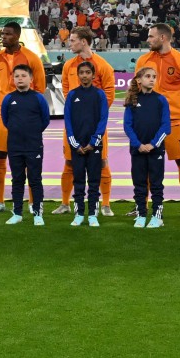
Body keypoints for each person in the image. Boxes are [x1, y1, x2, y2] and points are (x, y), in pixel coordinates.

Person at [132, 23, 180, 218]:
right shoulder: (144, 60)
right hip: (148, 123)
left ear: (163, 38)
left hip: (174, 122)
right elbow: (136, 89)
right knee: (144, 164)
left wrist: (177, 112)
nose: (148, 39)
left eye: (151, 36)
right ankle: (141, 205)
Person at [0, 23, 46, 212]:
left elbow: (40, 87)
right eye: (2, 34)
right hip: (2, 112)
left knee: (28, 158)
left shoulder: (31, 58)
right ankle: (0, 201)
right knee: (0, 155)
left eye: (8, 34)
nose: (3, 37)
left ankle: (31, 202)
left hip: (26, 113)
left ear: (17, 36)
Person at [56, 29, 115, 217]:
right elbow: (66, 91)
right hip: (74, 124)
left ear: (83, 42)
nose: (69, 43)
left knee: (102, 162)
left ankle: (105, 204)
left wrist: (93, 115)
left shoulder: (103, 66)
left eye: (72, 40)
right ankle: (65, 203)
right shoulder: (68, 66)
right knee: (69, 161)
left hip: (96, 124)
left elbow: (109, 96)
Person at [0, 63, 50, 224]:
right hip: (14, 146)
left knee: (35, 179)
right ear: (12, 79)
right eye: (16, 76)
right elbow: (6, 120)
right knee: (17, 179)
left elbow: (45, 120)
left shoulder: (38, 98)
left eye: (23, 76)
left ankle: (38, 214)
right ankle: (17, 213)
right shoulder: (9, 99)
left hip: (33, 145)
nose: (20, 79)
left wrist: (32, 133)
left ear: (31, 79)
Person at [63, 59, 109, 227]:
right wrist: (75, 144)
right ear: (78, 75)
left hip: (94, 146)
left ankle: (93, 215)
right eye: (81, 73)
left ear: (93, 75)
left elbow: (103, 119)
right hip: (77, 146)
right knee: (79, 181)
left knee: (94, 181)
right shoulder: (72, 95)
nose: (84, 76)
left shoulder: (100, 95)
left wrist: (93, 142)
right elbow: (68, 121)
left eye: (87, 73)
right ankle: (79, 213)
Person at [124, 65, 170, 229]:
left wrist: (153, 144)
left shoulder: (160, 100)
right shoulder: (132, 101)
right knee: (139, 184)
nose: (152, 79)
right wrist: (138, 145)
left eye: (154, 76)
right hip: (137, 151)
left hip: (155, 150)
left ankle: (158, 216)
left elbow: (166, 126)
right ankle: (141, 214)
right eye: (148, 76)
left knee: (157, 184)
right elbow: (127, 126)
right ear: (139, 80)